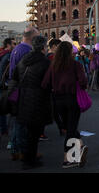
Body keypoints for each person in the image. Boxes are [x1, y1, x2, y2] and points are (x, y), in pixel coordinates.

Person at [41, 41, 88, 168]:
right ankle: (68, 159)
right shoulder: (75, 65)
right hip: (72, 99)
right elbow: (83, 82)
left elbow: (45, 84)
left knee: (69, 126)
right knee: (71, 129)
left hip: (58, 100)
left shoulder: (53, 66)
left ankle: (80, 147)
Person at [9, 36, 51, 169]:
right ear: (43, 47)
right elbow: (48, 82)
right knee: (34, 133)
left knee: (27, 132)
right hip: (38, 100)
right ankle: (29, 161)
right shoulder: (44, 62)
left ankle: (27, 157)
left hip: (23, 98)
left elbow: (15, 77)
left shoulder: (23, 60)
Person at [8, 26, 39, 161]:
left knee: (17, 121)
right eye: (37, 36)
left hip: (16, 88)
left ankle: (15, 149)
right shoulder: (27, 51)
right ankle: (22, 150)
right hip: (24, 90)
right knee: (23, 123)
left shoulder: (16, 49)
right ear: (32, 36)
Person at [0, 38, 15, 138]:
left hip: (1, 84)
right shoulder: (8, 55)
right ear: (9, 45)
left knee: (2, 107)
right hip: (4, 85)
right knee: (9, 108)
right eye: (14, 43)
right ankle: (6, 130)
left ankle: (4, 129)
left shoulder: (1, 53)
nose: (15, 45)